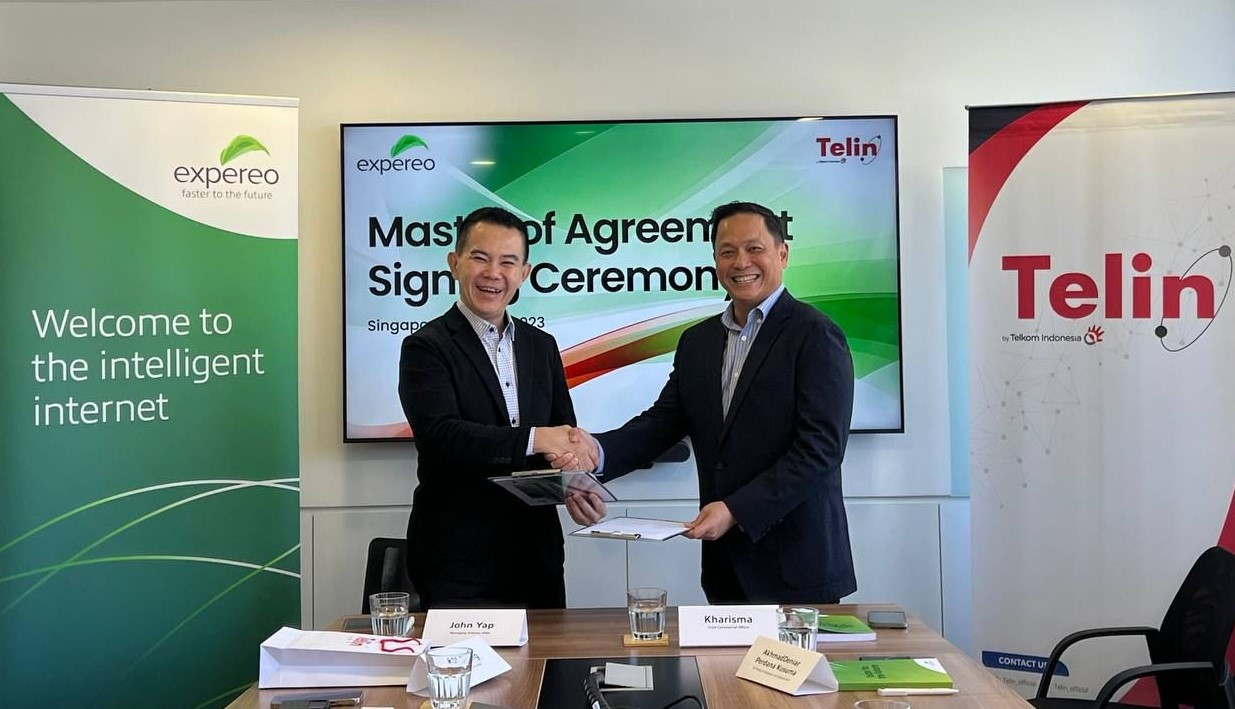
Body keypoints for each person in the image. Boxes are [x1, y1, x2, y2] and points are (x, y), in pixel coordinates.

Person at [562, 201, 856, 604]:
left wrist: (735, 510)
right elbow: (663, 423)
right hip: (725, 567)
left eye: (754, 248)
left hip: (797, 566)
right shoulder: (698, 342)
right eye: (727, 251)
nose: (741, 262)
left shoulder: (816, 335)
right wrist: (595, 453)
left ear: (782, 254)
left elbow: (820, 450)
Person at [399, 206, 596, 609]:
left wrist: (574, 480)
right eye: (480, 258)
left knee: (549, 655)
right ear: (454, 263)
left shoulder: (542, 347)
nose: (493, 274)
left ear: (524, 273)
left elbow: (563, 433)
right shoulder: (426, 347)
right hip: (458, 563)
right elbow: (442, 437)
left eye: (508, 262)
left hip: (537, 557)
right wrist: (537, 438)